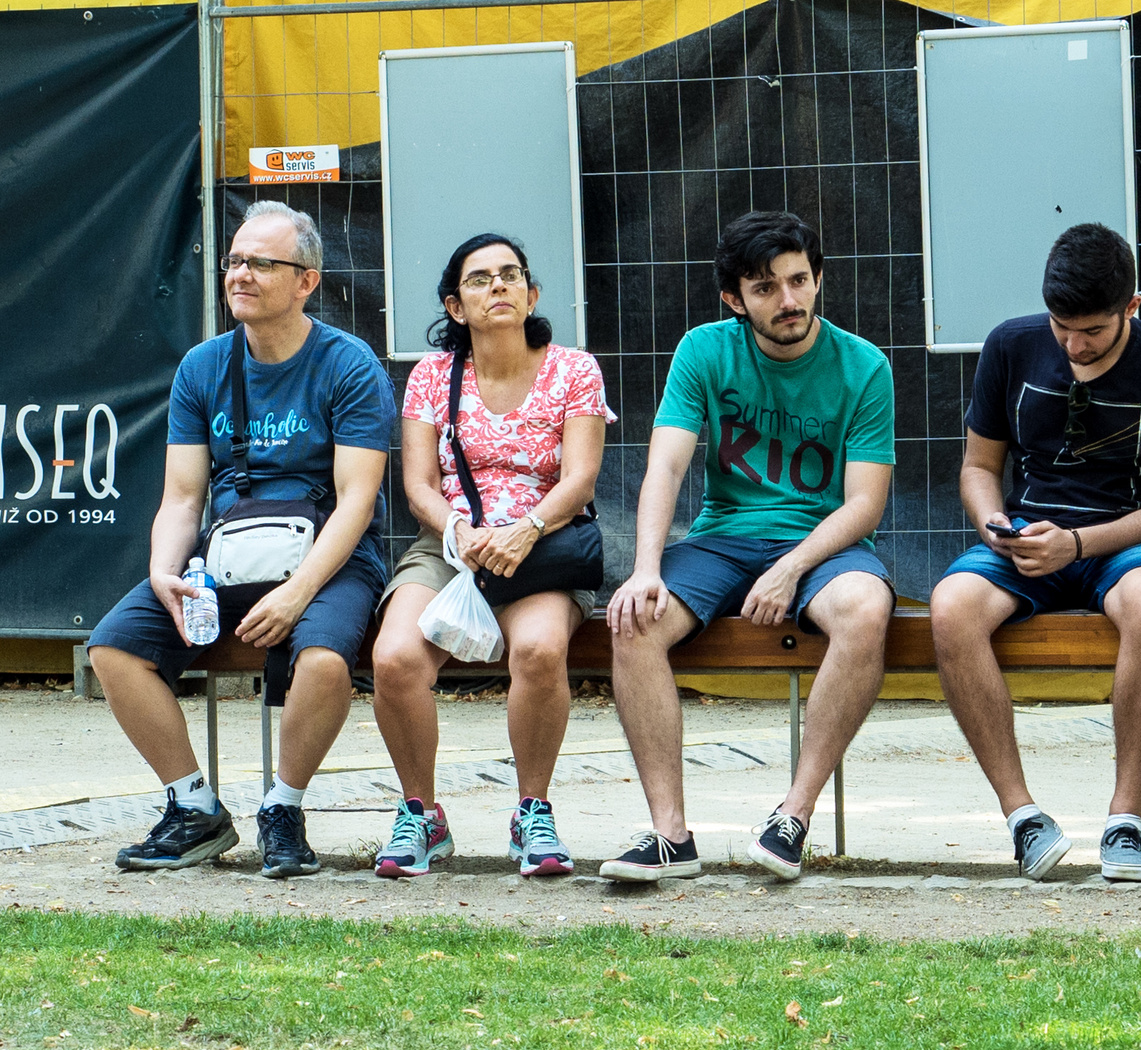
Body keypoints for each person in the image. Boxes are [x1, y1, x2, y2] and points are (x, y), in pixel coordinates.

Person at [88, 201, 394, 877]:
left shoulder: (348, 364)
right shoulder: (202, 366)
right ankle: (194, 809)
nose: (240, 274)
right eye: (233, 260)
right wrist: (167, 571)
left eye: (261, 262)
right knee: (113, 648)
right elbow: (182, 496)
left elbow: (357, 500)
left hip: (330, 560)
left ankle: (282, 811)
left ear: (306, 281)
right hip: (225, 555)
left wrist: (298, 593)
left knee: (322, 660)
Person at [602, 210, 895, 882]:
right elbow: (666, 469)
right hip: (724, 537)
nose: (788, 301)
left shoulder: (864, 366)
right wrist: (644, 568)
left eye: (799, 281)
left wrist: (792, 568)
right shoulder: (704, 350)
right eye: (766, 288)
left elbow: (864, 504)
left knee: (865, 611)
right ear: (736, 299)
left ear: (818, 279)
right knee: (632, 620)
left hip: (823, 545)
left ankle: (792, 817)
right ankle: (669, 834)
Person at [929, 223, 1141, 882]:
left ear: (1131, 308)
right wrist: (993, 520)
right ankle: (1023, 817)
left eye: (1092, 331)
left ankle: (1125, 820)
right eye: (1063, 328)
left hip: (1126, 543)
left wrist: (1078, 544)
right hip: (1030, 539)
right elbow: (977, 466)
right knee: (950, 607)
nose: (1074, 345)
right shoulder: (1011, 344)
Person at [368, 233, 613, 879]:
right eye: (480, 280)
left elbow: (580, 480)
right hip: (451, 544)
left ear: (532, 294)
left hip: (545, 544)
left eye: (510, 276)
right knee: (393, 659)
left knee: (537, 650)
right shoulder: (432, 375)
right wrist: (460, 532)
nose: (497, 287)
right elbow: (419, 484)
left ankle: (532, 812)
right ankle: (421, 813)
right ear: (456, 306)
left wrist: (524, 529)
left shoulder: (574, 369)